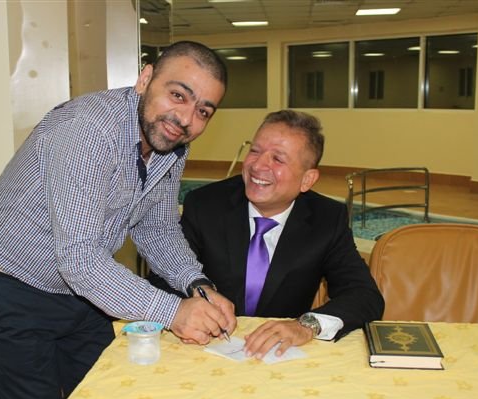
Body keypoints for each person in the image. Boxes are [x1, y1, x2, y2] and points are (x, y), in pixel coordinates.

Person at [0, 41, 237, 399]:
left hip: (83, 288)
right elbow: (80, 259)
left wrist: (196, 283)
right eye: (178, 95)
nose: (185, 118)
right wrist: (174, 311)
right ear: (145, 79)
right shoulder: (87, 131)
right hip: (12, 288)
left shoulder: (170, 141)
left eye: (203, 111)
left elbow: (157, 227)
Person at [149, 109, 384, 359]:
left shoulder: (326, 219)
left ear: (307, 179)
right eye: (255, 151)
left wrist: (306, 326)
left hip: (280, 357)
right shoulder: (205, 205)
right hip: (206, 350)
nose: (258, 165)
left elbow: (364, 295)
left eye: (278, 159)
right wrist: (185, 309)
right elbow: (162, 278)